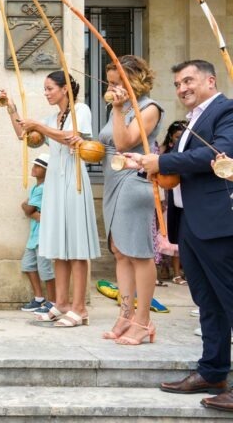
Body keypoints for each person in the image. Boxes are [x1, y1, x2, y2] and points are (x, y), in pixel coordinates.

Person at [135, 60, 233, 412]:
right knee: (207, 302)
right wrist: (146, 164)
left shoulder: (227, 110)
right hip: (190, 221)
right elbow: (181, 164)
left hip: (219, 221)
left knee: (229, 299)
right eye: (177, 83)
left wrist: (162, 164)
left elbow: (217, 154)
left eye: (188, 81)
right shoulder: (192, 119)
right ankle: (212, 371)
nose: (182, 88)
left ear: (210, 80)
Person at [2, 71, 100, 328]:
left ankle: (80, 308)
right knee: (59, 246)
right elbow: (25, 136)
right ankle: (62, 303)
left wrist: (41, 127)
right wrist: (11, 110)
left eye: (49, 88)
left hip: (74, 180)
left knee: (76, 248)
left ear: (64, 89)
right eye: (45, 89)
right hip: (56, 183)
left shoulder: (81, 110)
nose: (46, 93)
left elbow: (72, 138)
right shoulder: (51, 117)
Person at [98, 55, 163, 345]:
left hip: (134, 183)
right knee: (120, 250)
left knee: (139, 252)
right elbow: (107, 144)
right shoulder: (121, 109)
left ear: (133, 81)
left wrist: (118, 107)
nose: (111, 88)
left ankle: (144, 320)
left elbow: (124, 143)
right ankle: (125, 314)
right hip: (112, 182)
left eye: (116, 82)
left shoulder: (149, 108)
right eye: (110, 82)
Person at [19, 153, 56, 313]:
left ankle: (53, 302)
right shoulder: (36, 187)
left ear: (46, 171)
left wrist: (27, 208)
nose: (34, 168)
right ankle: (39, 298)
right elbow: (31, 211)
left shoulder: (43, 189)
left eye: (38, 166)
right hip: (34, 235)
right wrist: (32, 212)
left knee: (45, 270)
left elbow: (28, 208)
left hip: (42, 236)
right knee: (28, 265)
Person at [157, 120, 187, 285]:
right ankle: (168, 269)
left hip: (186, 201)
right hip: (170, 200)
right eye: (177, 137)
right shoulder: (165, 155)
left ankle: (181, 271)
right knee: (168, 238)